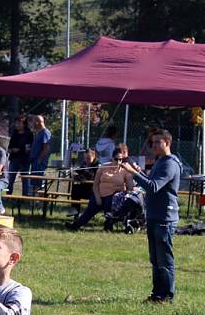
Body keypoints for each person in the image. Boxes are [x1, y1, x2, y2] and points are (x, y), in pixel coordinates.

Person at [122, 129, 181, 303]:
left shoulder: (170, 163)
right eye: (153, 142)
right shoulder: (160, 161)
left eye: (157, 142)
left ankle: (167, 296)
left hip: (165, 218)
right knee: (155, 259)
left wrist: (133, 173)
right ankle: (157, 294)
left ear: (167, 143)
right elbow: (151, 182)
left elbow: (154, 186)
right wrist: (140, 173)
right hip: (155, 215)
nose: (153, 146)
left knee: (164, 260)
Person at [67, 144, 133, 231]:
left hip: (114, 197)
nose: (118, 162)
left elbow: (130, 187)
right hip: (99, 194)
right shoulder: (103, 167)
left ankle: (108, 225)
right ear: (112, 158)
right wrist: (97, 197)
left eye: (120, 159)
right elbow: (95, 184)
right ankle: (76, 225)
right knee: (90, 209)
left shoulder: (125, 171)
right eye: (116, 159)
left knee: (109, 203)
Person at [6, 115, 33, 194]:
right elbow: (10, 144)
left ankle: (25, 196)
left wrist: (19, 150)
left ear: (24, 124)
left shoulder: (29, 134)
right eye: (16, 123)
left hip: (24, 160)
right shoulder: (14, 133)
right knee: (10, 179)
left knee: (25, 179)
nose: (17, 124)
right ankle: (8, 195)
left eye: (19, 123)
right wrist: (10, 149)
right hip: (14, 159)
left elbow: (28, 148)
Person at [69, 148, 100, 216]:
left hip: (94, 191)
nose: (86, 160)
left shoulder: (98, 165)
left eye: (88, 158)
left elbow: (92, 176)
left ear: (94, 156)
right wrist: (79, 176)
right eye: (85, 158)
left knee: (77, 188)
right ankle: (75, 212)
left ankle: (84, 214)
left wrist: (82, 177)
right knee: (75, 188)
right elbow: (76, 173)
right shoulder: (84, 163)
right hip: (85, 188)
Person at [28, 115, 51, 196]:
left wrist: (39, 160)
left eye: (34, 122)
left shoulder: (45, 133)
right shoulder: (38, 133)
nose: (33, 124)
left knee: (39, 181)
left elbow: (46, 148)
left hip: (39, 162)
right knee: (34, 181)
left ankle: (39, 200)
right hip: (34, 161)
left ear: (38, 122)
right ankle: (33, 199)